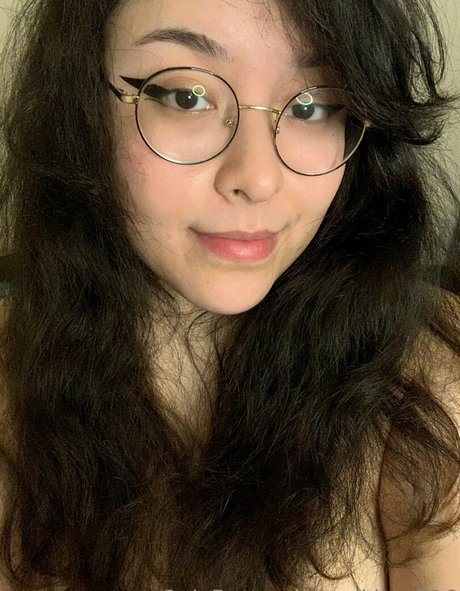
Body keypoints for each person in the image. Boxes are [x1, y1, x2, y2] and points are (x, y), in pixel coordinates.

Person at [0, 0, 459, 589]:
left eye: (313, 106)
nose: (258, 178)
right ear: (78, 107)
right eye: (186, 97)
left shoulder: (427, 382)